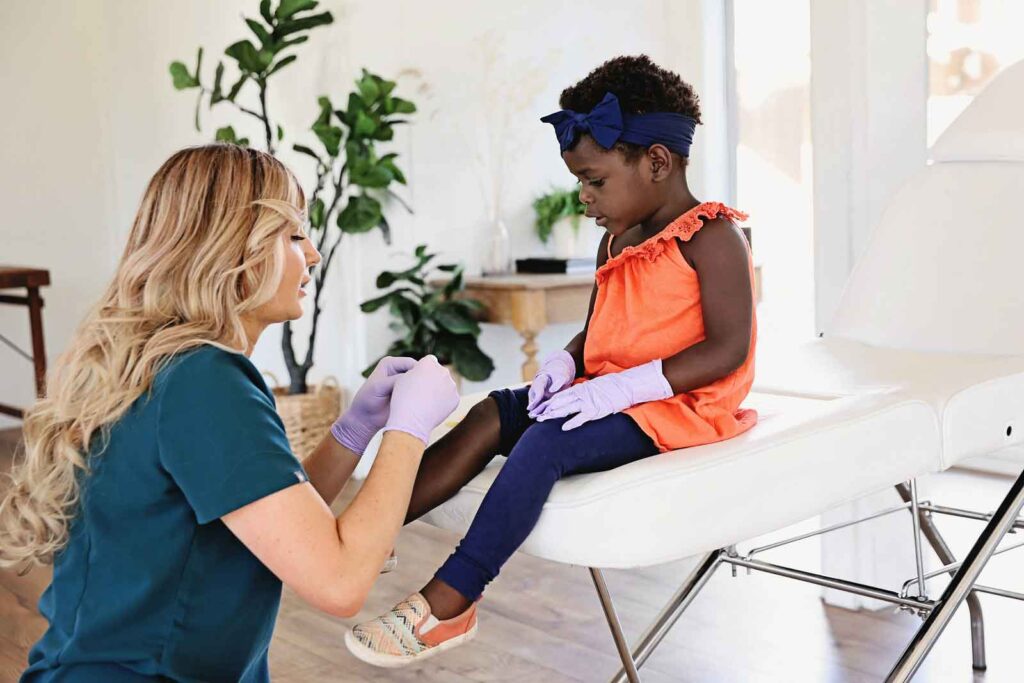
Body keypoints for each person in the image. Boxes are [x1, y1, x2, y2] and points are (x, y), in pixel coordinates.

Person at [345, 54, 759, 667]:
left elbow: (728, 349)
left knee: (547, 441)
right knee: (492, 413)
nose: (584, 199)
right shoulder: (616, 241)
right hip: (609, 392)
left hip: (676, 408)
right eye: (579, 184)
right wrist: (564, 366)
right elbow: (598, 332)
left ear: (656, 162)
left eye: (594, 181)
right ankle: (366, 536)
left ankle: (452, 601)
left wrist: (620, 390)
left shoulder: (715, 238)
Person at [0, 144, 460, 681]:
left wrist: (353, 431)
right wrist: (408, 428)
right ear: (229, 247)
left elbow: (270, 518)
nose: (313, 255)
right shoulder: (203, 381)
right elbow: (339, 581)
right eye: (293, 235)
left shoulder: (169, 364)